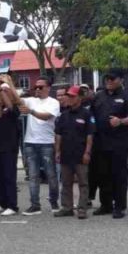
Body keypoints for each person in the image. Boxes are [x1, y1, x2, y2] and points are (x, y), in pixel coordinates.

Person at [91, 68, 128, 219]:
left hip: (119, 144)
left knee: (119, 176)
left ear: (121, 80)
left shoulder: (127, 96)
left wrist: (121, 121)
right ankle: (105, 205)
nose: (109, 81)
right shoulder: (98, 96)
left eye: (112, 79)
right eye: (107, 79)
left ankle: (119, 206)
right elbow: (91, 116)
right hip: (100, 143)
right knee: (103, 175)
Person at [19, 76, 61, 215]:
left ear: (48, 88)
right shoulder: (31, 100)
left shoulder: (53, 102)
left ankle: (54, 202)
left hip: (47, 143)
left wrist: (31, 111)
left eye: (40, 87)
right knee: (33, 175)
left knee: (51, 175)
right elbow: (17, 100)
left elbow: (46, 116)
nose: (37, 89)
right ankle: (35, 205)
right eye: (35, 87)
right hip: (30, 142)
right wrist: (8, 85)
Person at [54, 86, 94, 219]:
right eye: (68, 96)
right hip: (66, 154)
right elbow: (58, 134)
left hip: (80, 154)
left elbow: (90, 135)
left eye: (72, 96)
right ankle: (67, 208)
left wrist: (87, 153)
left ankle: (82, 209)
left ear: (80, 97)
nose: (69, 98)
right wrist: (57, 151)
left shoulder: (87, 114)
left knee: (83, 183)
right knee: (66, 183)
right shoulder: (64, 115)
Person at [0, 77, 21, 216]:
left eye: (6, 92)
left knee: (9, 177)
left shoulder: (13, 109)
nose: (3, 93)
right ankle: (3, 204)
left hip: (9, 148)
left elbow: (10, 107)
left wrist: (2, 89)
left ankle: (12, 205)